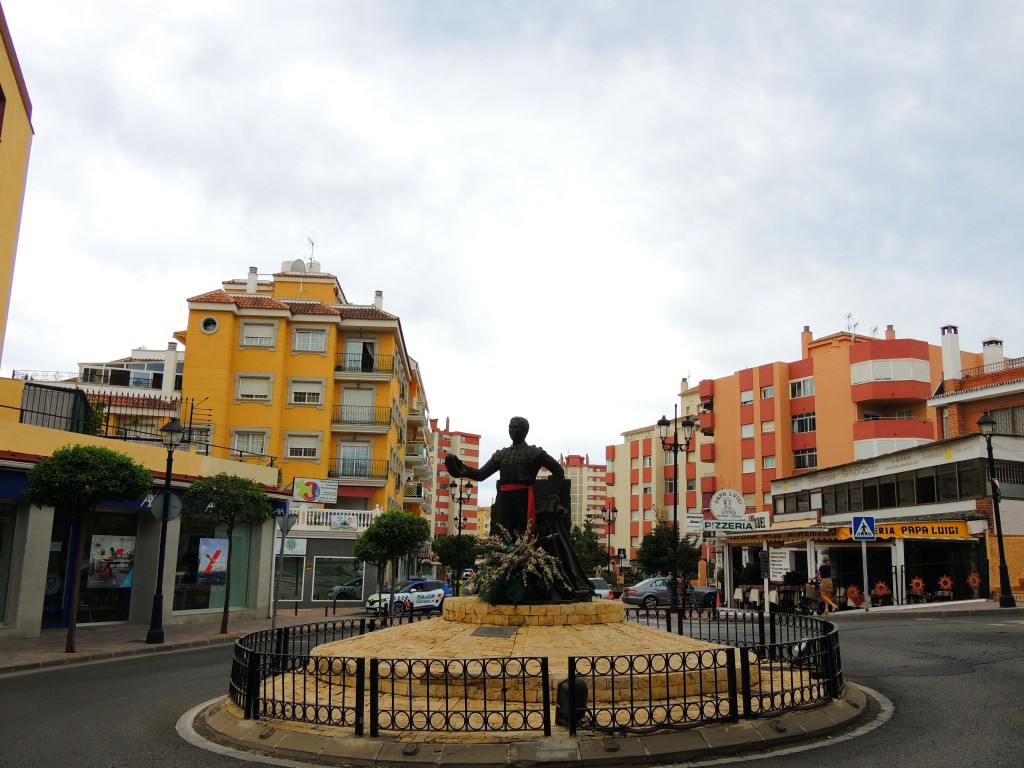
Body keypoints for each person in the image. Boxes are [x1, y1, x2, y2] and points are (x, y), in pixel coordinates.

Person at [444, 416, 593, 602]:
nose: (512, 430)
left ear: (524, 431)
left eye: (516, 427)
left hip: (525, 498)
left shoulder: (534, 452)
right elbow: (482, 474)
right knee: (503, 540)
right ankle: (502, 579)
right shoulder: (501, 454)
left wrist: (554, 495)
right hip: (505, 499)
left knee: (530, 539)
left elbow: (558, 470)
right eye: (510, 427)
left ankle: (537, 580)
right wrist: (462, 469)